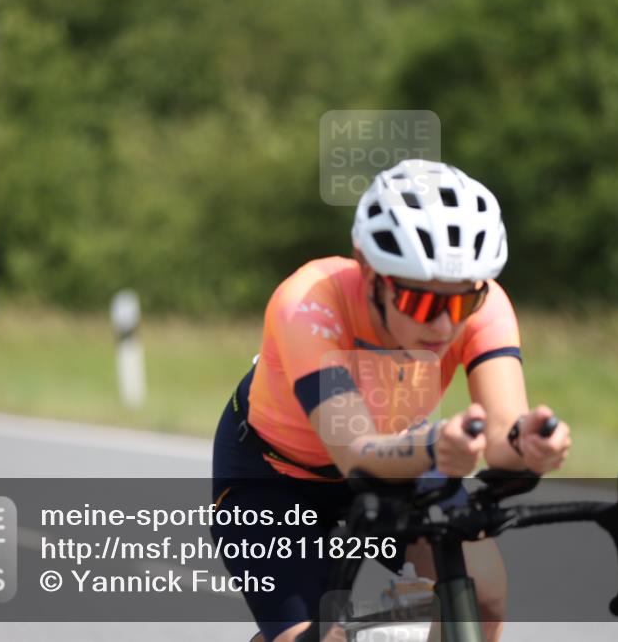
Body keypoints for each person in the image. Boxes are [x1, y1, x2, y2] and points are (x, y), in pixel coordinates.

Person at [210, 159, 572, 642]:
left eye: (462, 302)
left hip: (404, 454)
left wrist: (528, 445)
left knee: (482, 597)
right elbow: (356, 452)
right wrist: (433, 449)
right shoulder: (308, 304)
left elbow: (505, 432)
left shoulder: (485, 303)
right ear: (372, 277)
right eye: (422, 303)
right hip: (278, 479)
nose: (444, 325)